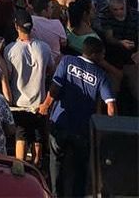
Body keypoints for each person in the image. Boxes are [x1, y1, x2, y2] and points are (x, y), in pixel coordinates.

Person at [39, 37, 117, 198]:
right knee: (80, 168)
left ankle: (55, 194)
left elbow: (55, 88)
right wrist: (110, 130)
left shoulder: (67, 61)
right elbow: (111, 106)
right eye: (102, 54)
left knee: (56, 162)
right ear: (95, 54)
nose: (104, 57)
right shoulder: (101, 75)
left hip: (60, 122)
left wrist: (45, 106)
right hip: (82, 130)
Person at [4, 9, 52, 166]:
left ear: (16, 26)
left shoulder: (10, 49)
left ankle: (20, 167)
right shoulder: (44, 47)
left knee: (21, 135)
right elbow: (50, 69)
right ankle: (37, 165)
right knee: (38, 135)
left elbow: (8, 74)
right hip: (40, 102)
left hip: (20, 103)